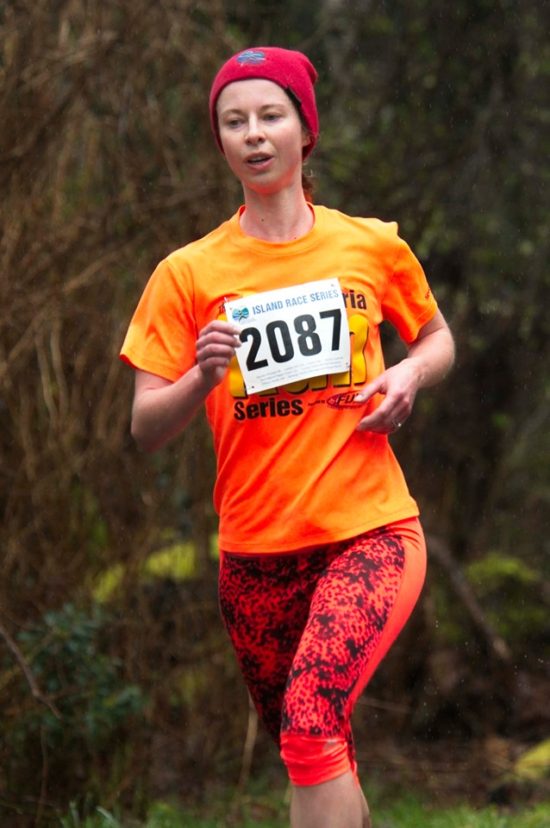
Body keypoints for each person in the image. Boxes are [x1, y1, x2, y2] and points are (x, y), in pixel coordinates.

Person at [120, 46, 455, 828]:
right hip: (254, 560)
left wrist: (408, 376)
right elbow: (143, 428)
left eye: (271, 116)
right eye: (234, 122)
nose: (254, 134)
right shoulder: (187, 273)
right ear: (221, 142)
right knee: (317, 746)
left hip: (369, 532)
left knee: (310, 724)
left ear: (307, 131)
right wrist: (201, 377)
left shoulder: (369, 246)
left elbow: (437, 338)